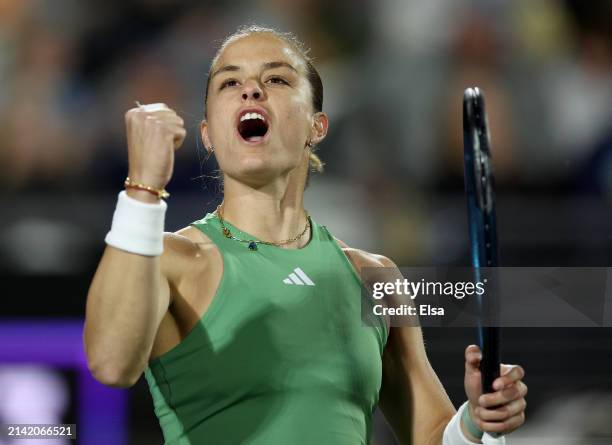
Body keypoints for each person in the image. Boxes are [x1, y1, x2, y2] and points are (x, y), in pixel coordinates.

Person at [83, 25, 527, 445]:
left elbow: (432, 436)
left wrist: (476, 420)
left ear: (317, 126)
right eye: (228, 83)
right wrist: (142, 185)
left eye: (276, 79)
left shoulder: (377, 280)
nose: (251, 89)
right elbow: (110, 363)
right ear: (208, 134)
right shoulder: (169, 261)